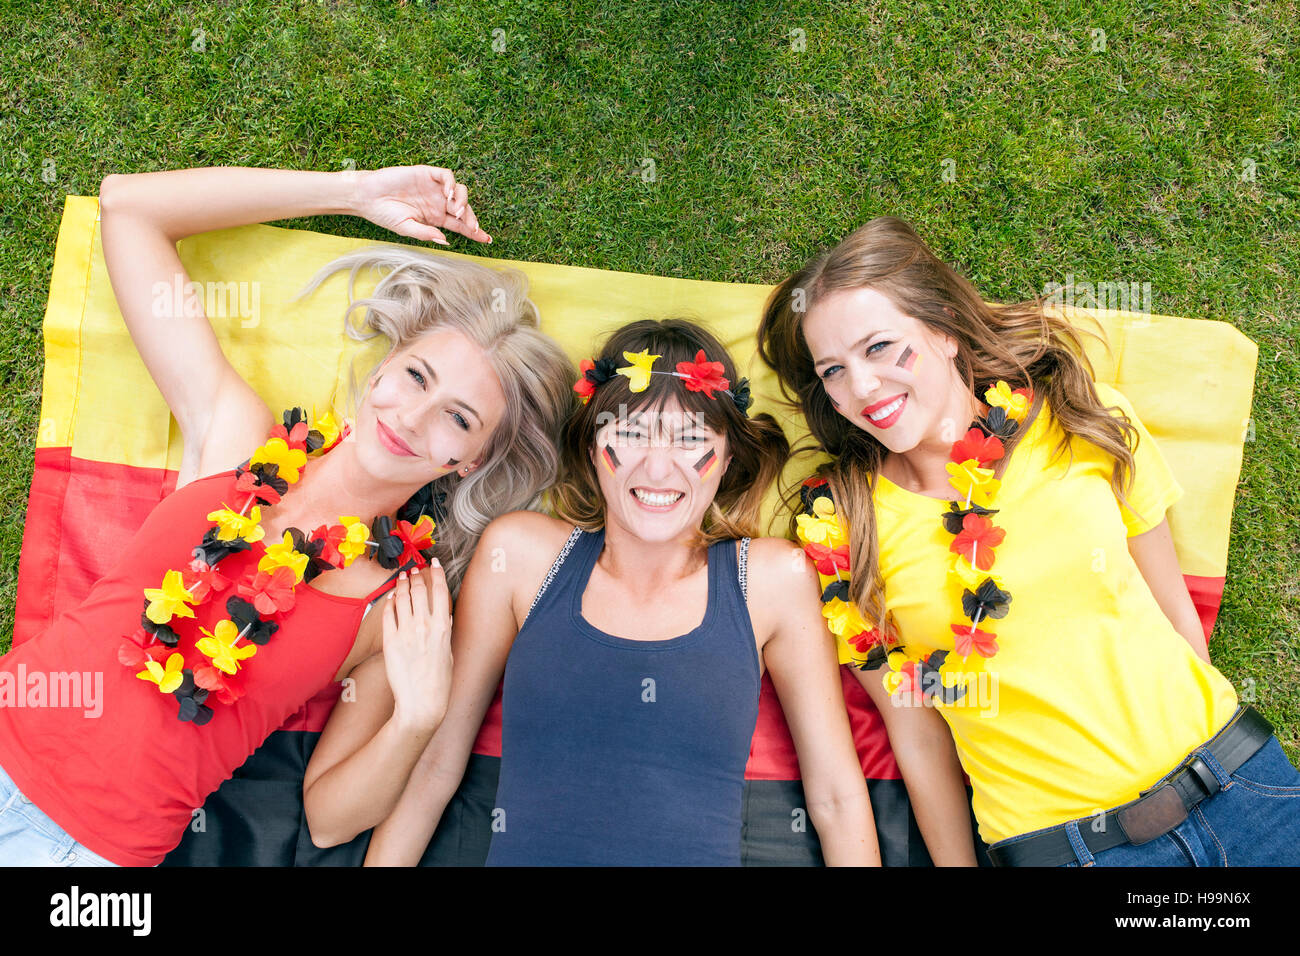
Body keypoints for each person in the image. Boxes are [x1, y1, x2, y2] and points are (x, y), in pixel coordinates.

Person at [0, 164, 575, 867]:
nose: (415, 416)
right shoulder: (239, 440)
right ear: (387, 364)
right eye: (417, 377)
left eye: (458, 418)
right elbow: (129, 210)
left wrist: (419, 717)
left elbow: (331, 820)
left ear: (471, 461)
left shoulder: (401, 605)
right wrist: (356, 194)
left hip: (90, 857)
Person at [756, 216, 1300, 867]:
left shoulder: (1080, 418)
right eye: (833, 370)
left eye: (879, 348)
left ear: (945, 331)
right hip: (1070, 850)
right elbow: (916, 727)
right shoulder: (845, 527)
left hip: (1245, 786)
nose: (862, 387)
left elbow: (1173, 609)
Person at [304, 318, 881, 865]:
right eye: (628, 434)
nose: (658, 469)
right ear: (590, 450)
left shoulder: (773, 580)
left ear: (727, 458)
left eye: (690, 440)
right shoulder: (521, 557)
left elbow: (835, 797)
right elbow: (434, 767)